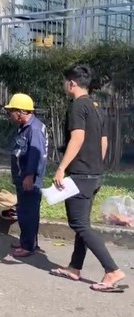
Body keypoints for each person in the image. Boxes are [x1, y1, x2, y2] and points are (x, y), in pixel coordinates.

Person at [49, 65, 126, 292]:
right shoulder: (96, 107)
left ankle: (112, 270)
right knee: (83, 222)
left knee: (79, 224)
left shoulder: (77, 106)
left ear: (72, 83)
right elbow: (103, 142)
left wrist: (61, 168)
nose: (64, 85)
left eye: (65, 82)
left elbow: (78, 137)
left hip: (80, 174)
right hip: (94, 174)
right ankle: (74, 267)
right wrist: (96, 167)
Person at [4, 93, 47, 257]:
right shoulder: (27, 127)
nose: (10, 115)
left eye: (11, 111)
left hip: (29, 178)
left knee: (28, 212)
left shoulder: (34, 129)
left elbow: (36, 154)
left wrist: (29, 175)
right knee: (25, 210)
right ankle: (27, 241)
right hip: (23, 176)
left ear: (21, 112)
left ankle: (28, 246)